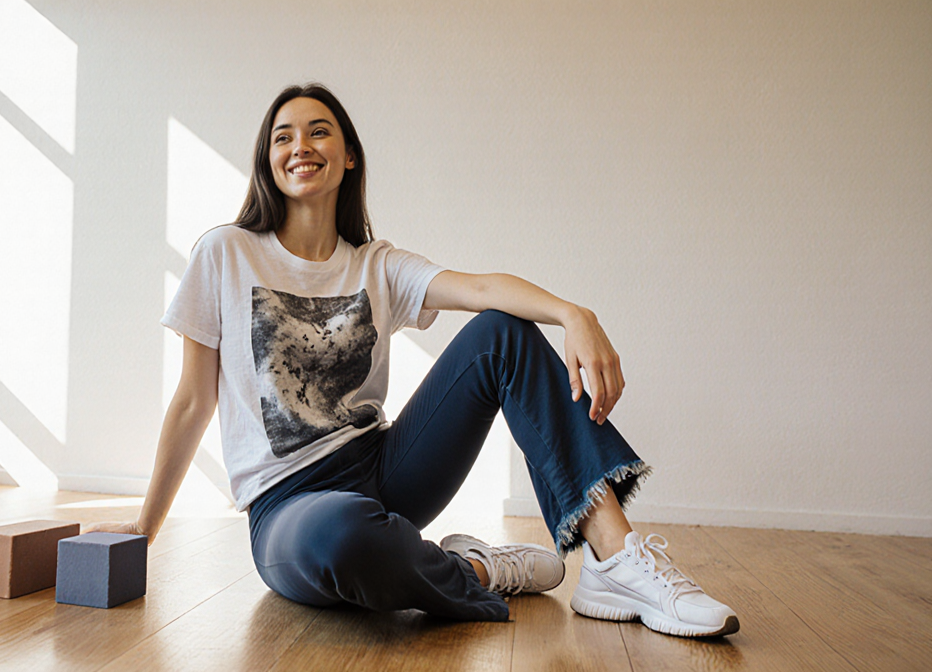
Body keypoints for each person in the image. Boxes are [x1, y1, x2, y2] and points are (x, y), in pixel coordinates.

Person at [88, 83, 738, 637]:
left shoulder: (376, 265)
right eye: (282, 137)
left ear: (347, 158)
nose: (299, 147)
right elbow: (193, 402)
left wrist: (575, 313)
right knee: (346, 536)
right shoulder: (223, 254)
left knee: (500, 333)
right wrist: (145, 528)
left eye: (318, 132)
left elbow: (480, 289)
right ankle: (479, 570)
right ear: (268, 159)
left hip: (388, 470)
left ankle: (613, 557)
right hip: (288, 510)